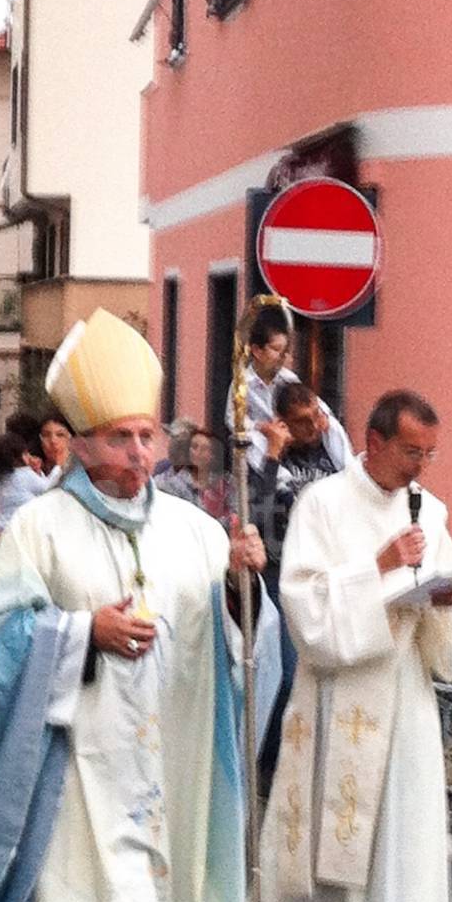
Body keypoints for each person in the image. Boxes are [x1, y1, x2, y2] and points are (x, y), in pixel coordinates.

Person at [0, 308, 278, 902]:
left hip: (167, 747)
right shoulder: (42, 529)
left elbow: (231, 638)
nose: (139, 453)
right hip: (73, 751)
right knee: (80, 886)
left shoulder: (196, 530)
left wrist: (242, 583)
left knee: (141, 877)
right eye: (122, 439)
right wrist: (78, 633)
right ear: (86, 445)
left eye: (147, 438)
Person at [259, 390, 452, 902]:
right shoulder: (322, 503)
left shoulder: (430, 510)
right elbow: (302, 603)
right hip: (339, 687)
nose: (420, 467)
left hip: (401, 687)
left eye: (430, 453)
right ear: (374, 441)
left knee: (404, 824)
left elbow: (442, 584)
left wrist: (445, 601)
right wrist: (376, 568)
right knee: (327, 816)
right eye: (411, 451)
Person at [248, 381, 350, 793]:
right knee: (287, 674)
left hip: (330, 573)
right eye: (302, 423)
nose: (313, 428)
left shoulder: (332, 450)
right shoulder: (274, 460)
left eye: (316, 418)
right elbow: (261, 509)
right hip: (282, 574)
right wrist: (273, 451)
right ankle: (269, 763)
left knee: (329, 671)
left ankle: (315, 760)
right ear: (285, 425)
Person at [224, 303, 350, 475]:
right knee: (252, 440)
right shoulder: (243, 384)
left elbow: (307, 399)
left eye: (285, 351)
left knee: (332, 425)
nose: (282, 357)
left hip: (291, 431)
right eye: (276, 350)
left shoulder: (287, 377)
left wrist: (323, 417)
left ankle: (347, 468)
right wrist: (262, 427)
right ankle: (280, 479)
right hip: (266, 435)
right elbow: (233, 420)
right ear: (257, 351)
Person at [0, 432, 48, 557]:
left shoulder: (5, 478)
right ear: (18, 457)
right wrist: (59, 469)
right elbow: (47, 489)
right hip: (17, 533)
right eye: (26, 453)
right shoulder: (24, 474)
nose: (29, 456)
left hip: (0, 528)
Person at [155, 425, 232, 524]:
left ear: (212, 455)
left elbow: (235, 513)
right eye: (194, 447)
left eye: (204, 448)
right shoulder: (173, 484)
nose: (198, 452)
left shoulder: (224, 483)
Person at [39, 410, 72, 488]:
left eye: (60, 435)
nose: (53, 441)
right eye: (46, 435)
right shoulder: (34, 471)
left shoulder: (81, 470)